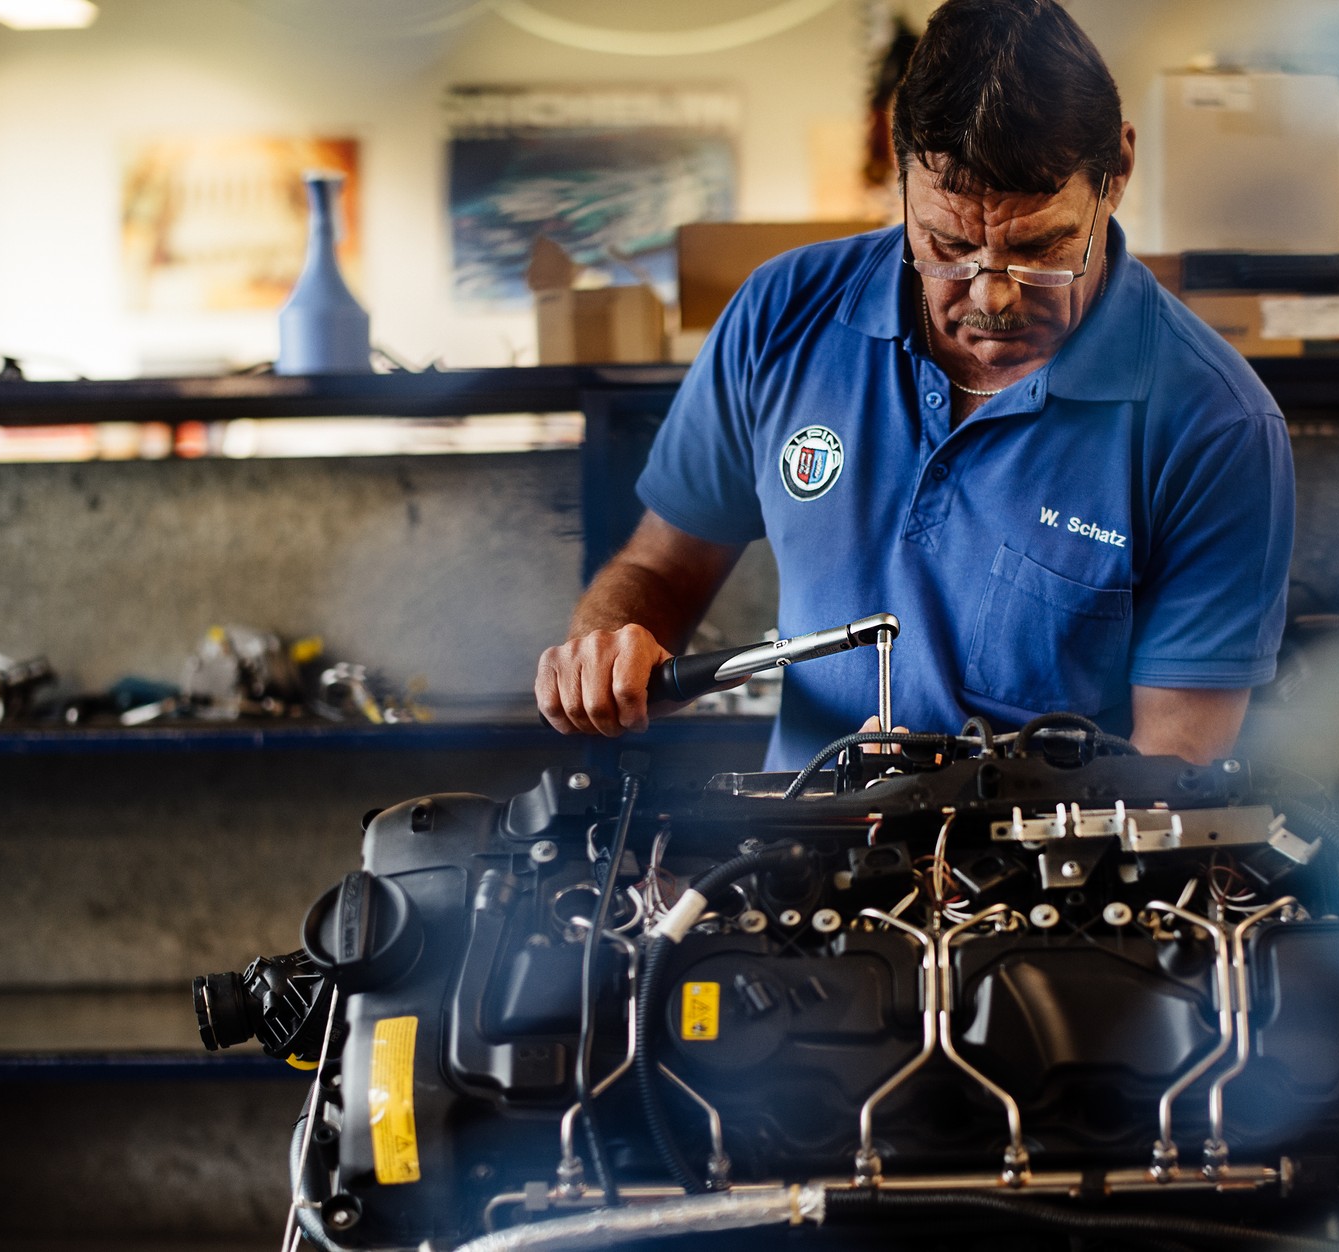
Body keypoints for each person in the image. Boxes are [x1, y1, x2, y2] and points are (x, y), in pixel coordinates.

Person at [536, 0, 1293, 771]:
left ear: (1118, 171)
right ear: (899, 178)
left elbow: (1175, 774)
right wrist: (610, 645)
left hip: (1036, 886)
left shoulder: (1215, 425)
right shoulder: (781, 315)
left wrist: (948, 829)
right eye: (949, 245)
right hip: (795, 861)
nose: (992, 295)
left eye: (1042, 247)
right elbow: (661, 567)